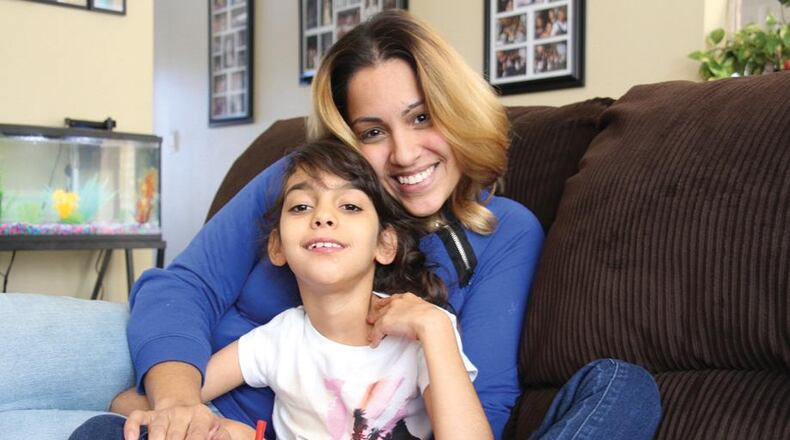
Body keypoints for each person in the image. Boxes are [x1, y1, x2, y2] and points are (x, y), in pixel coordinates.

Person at [0, 10, 660, 440]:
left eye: (422, 117)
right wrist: (178, 406)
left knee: (622, 388)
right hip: (219, 422)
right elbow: (181, 287)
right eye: (373, 132)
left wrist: (427, 328)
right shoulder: (301, 182)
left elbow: (479, 410)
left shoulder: (501, 233)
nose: (403, 154)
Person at [70, 141, 488, 439]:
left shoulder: (425, 332)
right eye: (302, 207)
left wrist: (433, 329)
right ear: (277, 246)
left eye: (350, 206)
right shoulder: (278, 340)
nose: (323, 217)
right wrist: (205, 423)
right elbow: (129, 403)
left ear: (385, 244)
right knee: (100, 433)